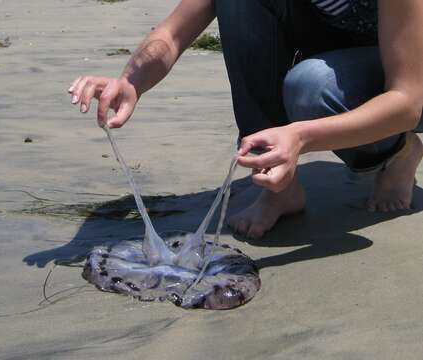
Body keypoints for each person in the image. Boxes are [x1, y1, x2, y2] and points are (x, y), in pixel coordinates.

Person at [68, 0, 423, 238]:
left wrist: (300, 136)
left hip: (411, 69)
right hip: (350, 56)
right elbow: (172, 33)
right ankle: (277, 189)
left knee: (311, 89)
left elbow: (407, 101)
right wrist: (130, 81)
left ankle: (396, 152)